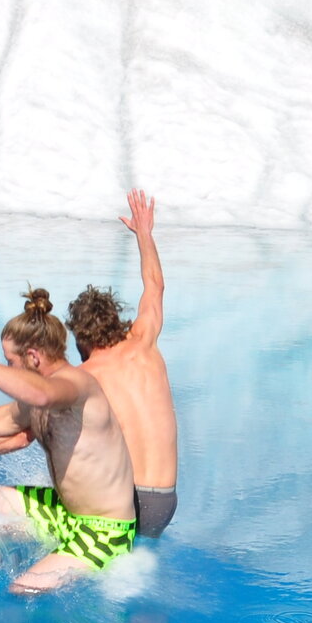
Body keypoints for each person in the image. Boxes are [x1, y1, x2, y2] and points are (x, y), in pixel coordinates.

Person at [0, 287, 138, 594]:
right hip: (63, 512)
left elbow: (38, 395)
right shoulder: (46, 389)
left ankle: (55, 573)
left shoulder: (75, 385)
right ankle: (9, 562)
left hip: (104, 529)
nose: (10, 368)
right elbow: (11, 418)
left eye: (10, 361)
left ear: (33, 357)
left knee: (23, 590)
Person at [67, 189, 178, 539]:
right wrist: (144, 233)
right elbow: (155, 285)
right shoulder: (144, 338)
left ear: (80, 337)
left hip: (124, 505)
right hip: (166, 504)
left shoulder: (85, 376)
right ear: (117, 320)